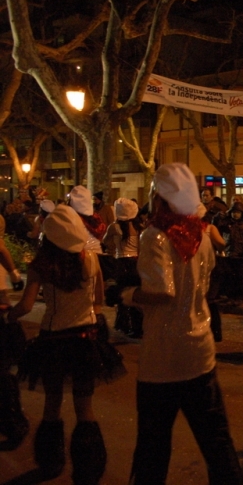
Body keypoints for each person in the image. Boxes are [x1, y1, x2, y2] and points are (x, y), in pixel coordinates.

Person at [124, 163, 243, 484]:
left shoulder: (155, 236)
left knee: (153, 447)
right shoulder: (202, 235)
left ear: (161, 197)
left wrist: (127, 295)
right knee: (217, 442)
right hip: (200, 351)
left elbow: (160, 291)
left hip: (162, 356)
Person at [10, 205, 126, 484]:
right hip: (85, 339)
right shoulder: (90, 260)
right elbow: (98, 300)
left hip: (52, 340)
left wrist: (8, 313)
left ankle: (51, 461)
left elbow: (26, 306)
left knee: (52, 404)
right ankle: (89, 468)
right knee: (84, 407)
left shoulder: (40, 265)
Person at [103, 198, 143, 338]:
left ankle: (124, 325)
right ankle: (138, 327)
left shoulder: (114, 227)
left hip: (122, 263)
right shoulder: (139, 227)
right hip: (137, 263)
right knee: (136, 294)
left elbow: (105, 241)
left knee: (122, 293)